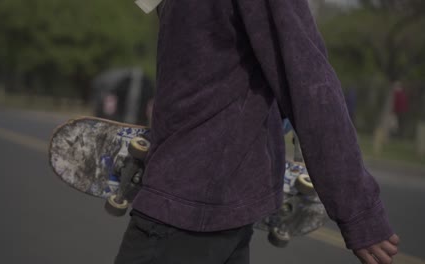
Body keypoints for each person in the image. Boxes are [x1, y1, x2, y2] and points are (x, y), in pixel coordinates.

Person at [115, 1, 399, 263]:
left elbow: (305, 84)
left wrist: (359, 211)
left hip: (188, 215)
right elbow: (308, 82)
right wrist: (360, 212)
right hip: (196, 212)